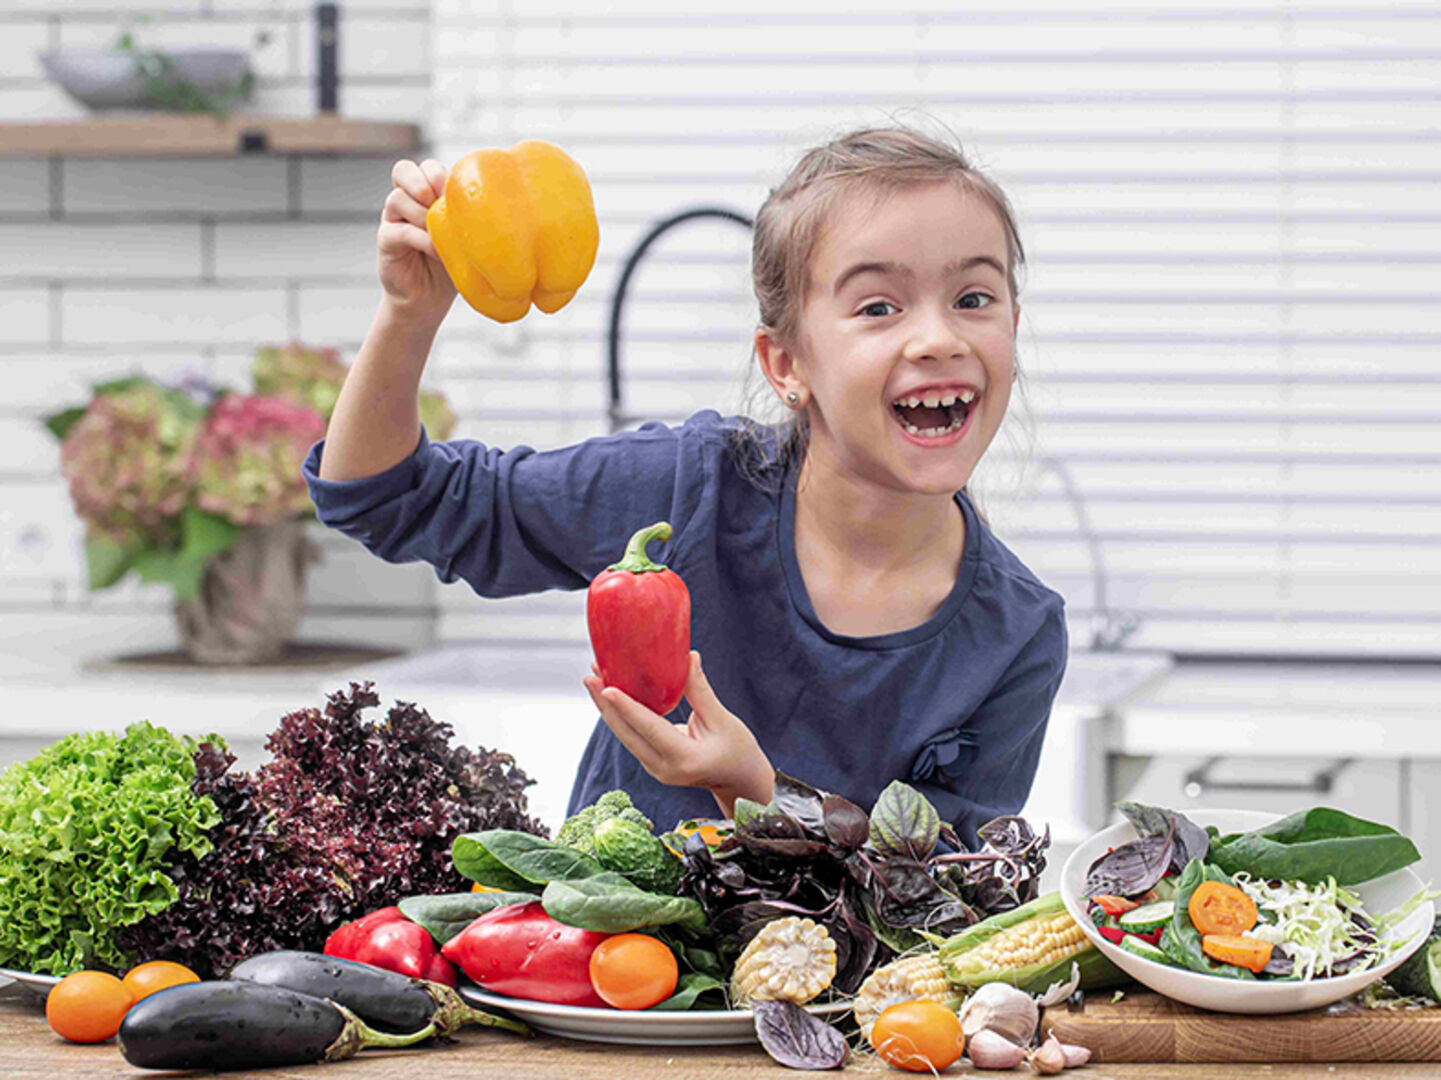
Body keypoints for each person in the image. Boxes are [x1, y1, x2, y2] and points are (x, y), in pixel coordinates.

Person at [303, 126, 1066, 847]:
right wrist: (409, 314)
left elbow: (950, 902)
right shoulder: (688, 489)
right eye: (878, 307)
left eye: (973, 298)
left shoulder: (1016, 635)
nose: (939, 338)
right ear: (785, 365)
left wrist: (754, 792)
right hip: (605, 978)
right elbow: (381, 496)